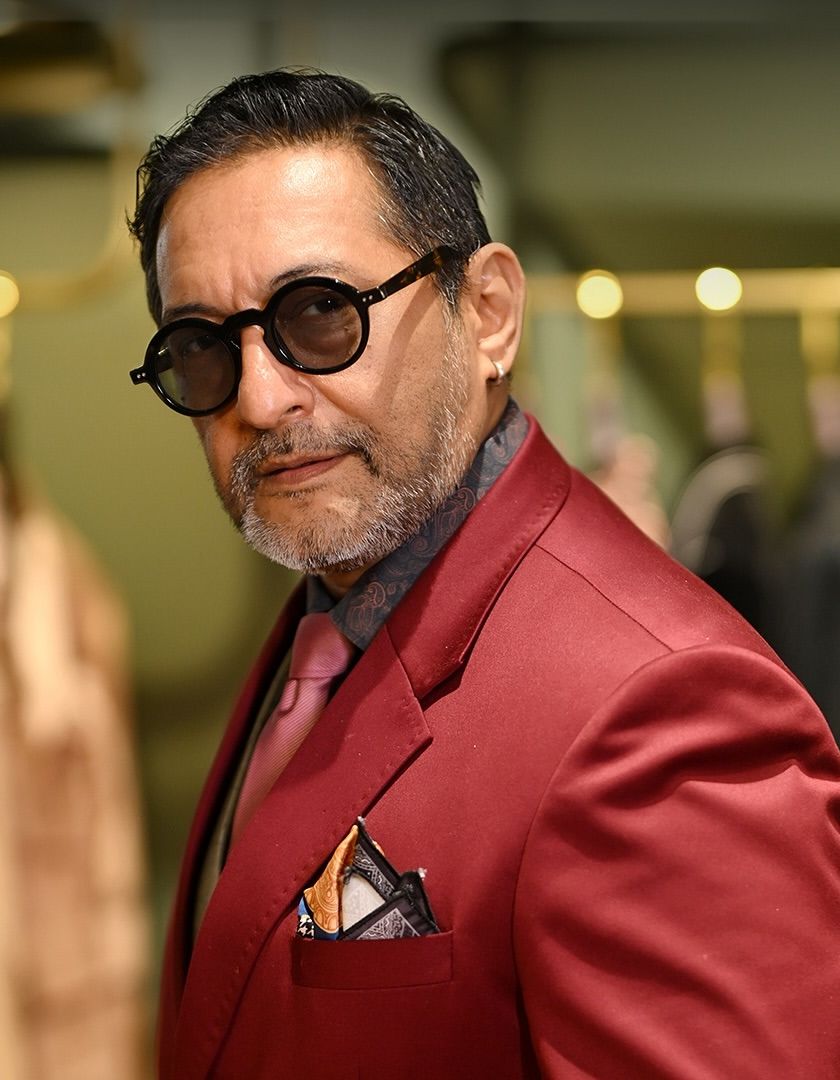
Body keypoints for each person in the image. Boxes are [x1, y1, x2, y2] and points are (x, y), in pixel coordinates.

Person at [128, 69, 840, 1080]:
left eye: (321, 311)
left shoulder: (664, 710)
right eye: (200, 347)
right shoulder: (332, 621)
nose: (259, 397)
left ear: (491, 313)